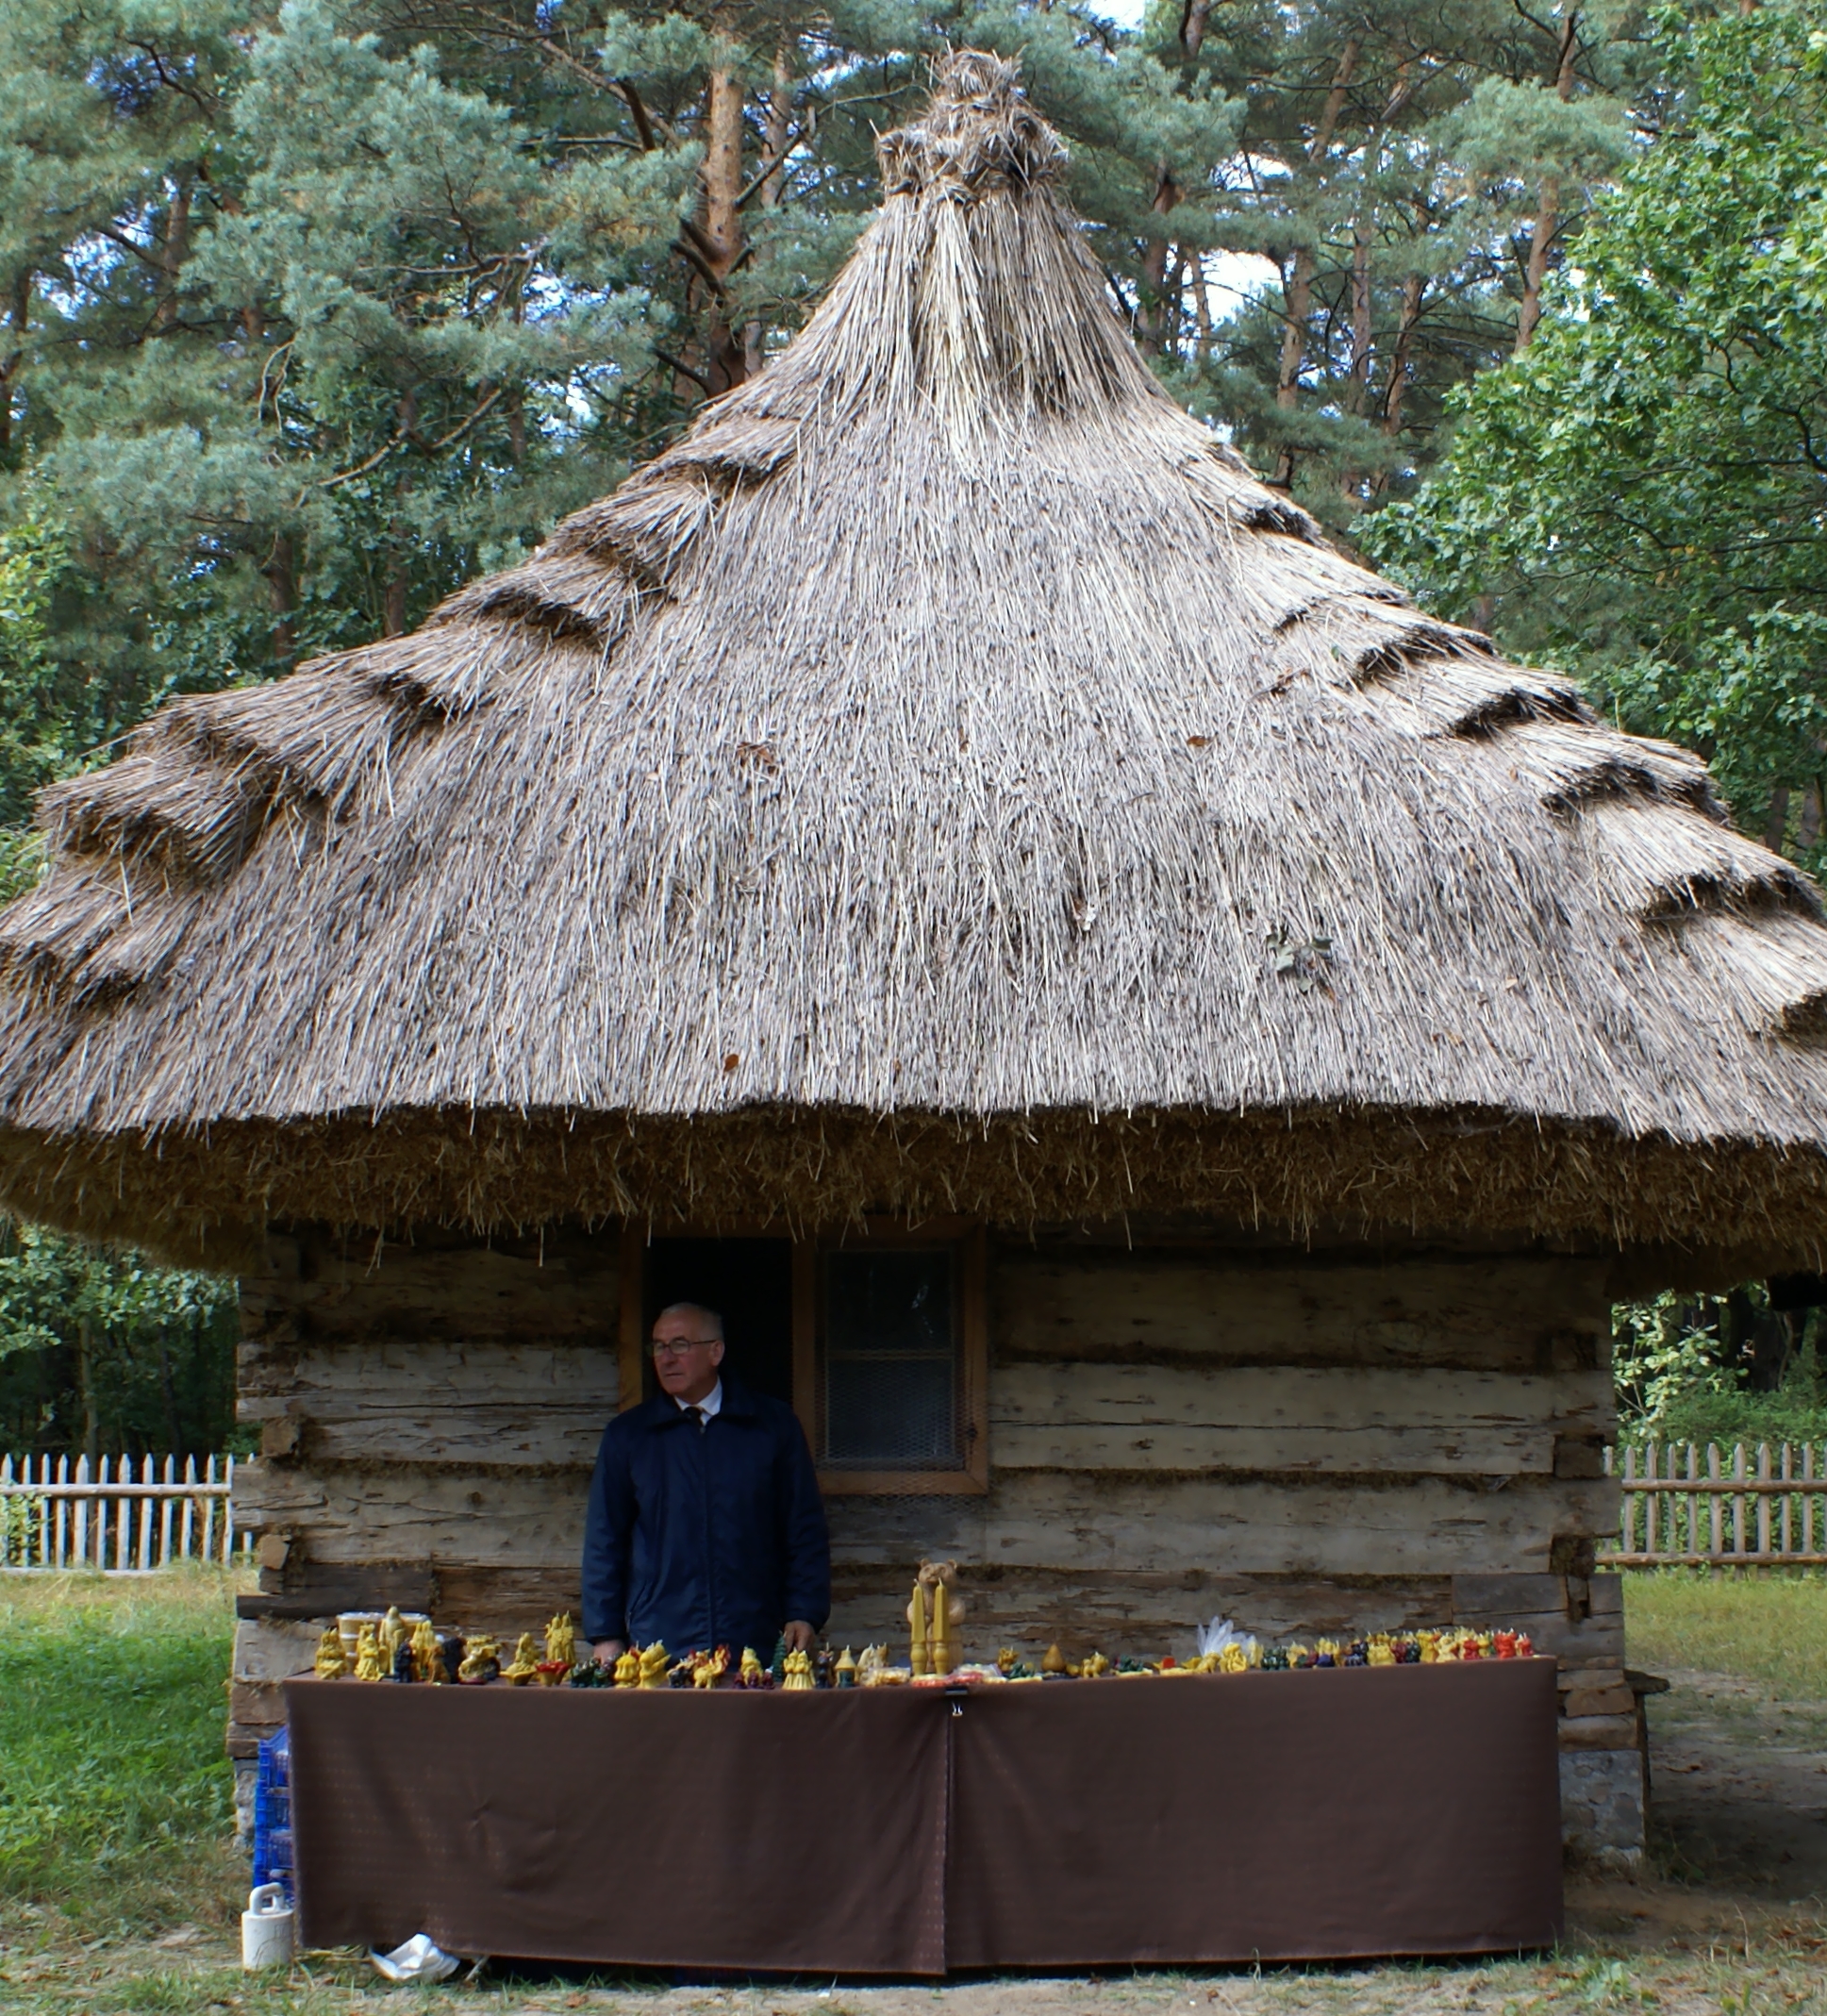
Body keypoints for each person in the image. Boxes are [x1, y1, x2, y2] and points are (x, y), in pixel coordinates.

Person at [582, 1300, 830, 1665]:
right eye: (659, 1346)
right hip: (658, 1641)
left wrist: (804, 1611)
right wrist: (605, 1634)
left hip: (755, 1636)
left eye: (680, 1345)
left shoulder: (771, 1426)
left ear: (716, 1352)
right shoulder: (630, 1436)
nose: (666, 1358)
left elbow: (803, 1526)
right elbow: (605, 1537)